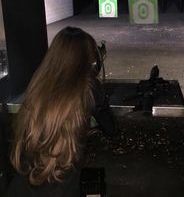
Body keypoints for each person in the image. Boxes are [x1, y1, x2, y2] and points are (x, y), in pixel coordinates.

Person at [5, 27, 116, 197]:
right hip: (60, 189)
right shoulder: (89, 87)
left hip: (20, 187)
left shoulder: (39, 82)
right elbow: (110, 129)